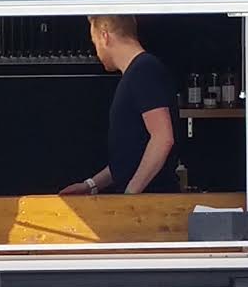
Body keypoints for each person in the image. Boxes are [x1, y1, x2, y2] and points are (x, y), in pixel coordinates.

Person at [61, 15, 178, 195]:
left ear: (105, 36)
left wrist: (130, 195)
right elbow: (129, 157)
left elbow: (162, 138)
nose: (97, 52)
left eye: (94, 42)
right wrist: (91, 185)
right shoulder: (137, 73)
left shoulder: (144, 70)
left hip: (150, 201)